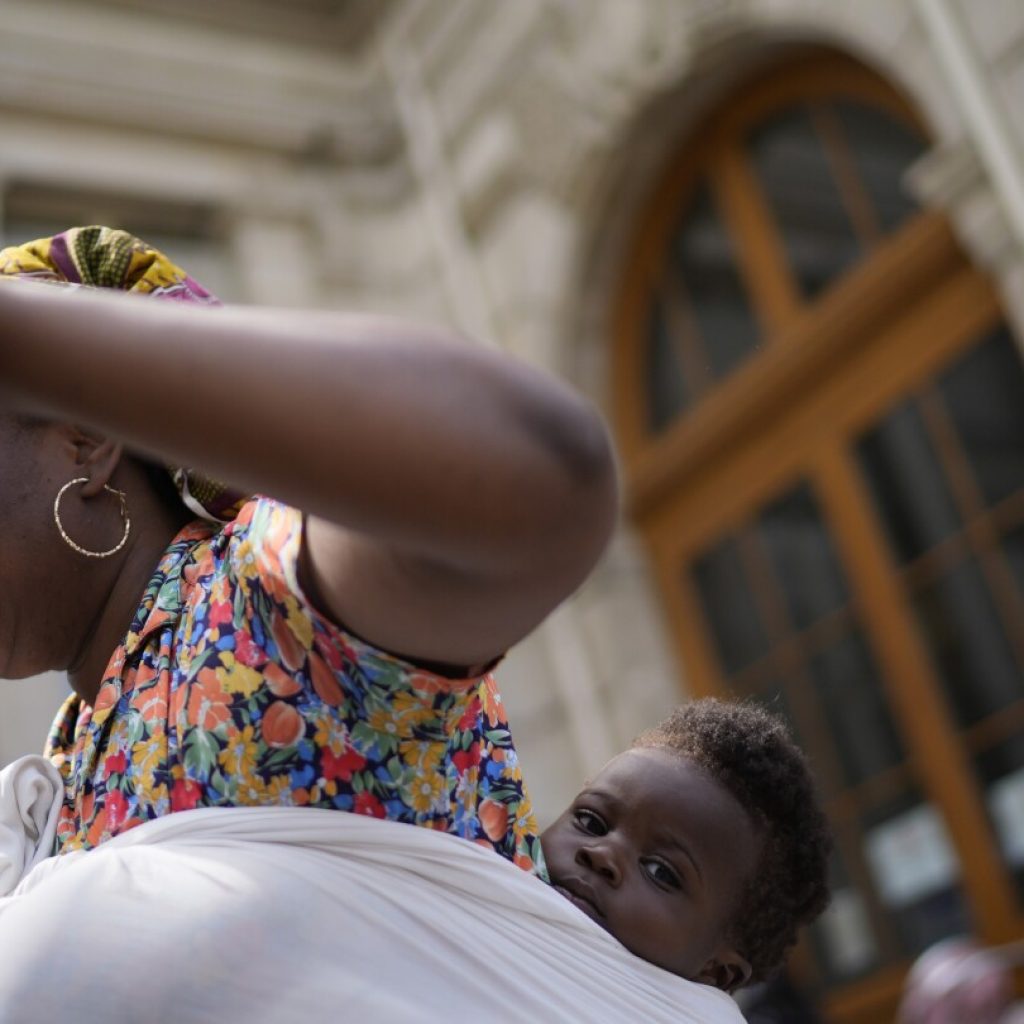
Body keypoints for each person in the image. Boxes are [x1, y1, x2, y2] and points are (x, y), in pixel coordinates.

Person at [0, 228, 829, 996]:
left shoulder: (258, 609)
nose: (605, 858)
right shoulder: (73, 752)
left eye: (664, 871)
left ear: (84, 439)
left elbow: (534, 473)